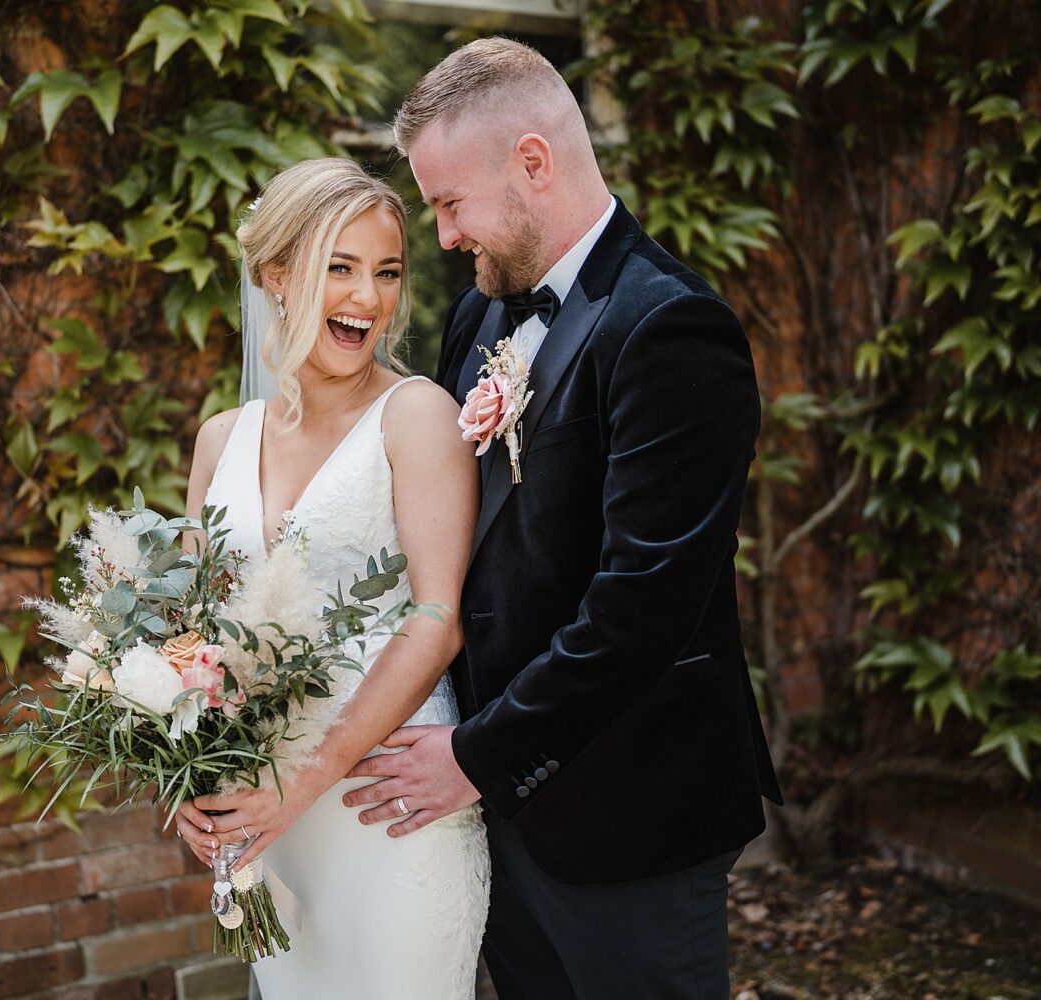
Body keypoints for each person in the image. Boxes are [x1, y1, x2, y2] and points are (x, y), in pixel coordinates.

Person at [341, 38, 783, 999]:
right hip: (498, 817)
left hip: (631, 811)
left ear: (532, 163)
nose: (446, 237)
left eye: (451, 204)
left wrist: (472, 757)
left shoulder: (672, 329)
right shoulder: (480, 318)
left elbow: (642, 610)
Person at [171, 158, 490, 998]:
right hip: (269, 831)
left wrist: (301, 782)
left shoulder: (417, 414)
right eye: (338, 268)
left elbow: (437, 619)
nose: (367, 298)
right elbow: (191, 640)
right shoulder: (219, 439)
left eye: (386, 272)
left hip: (383, 803)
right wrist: (189, 780)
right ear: (277, 276)